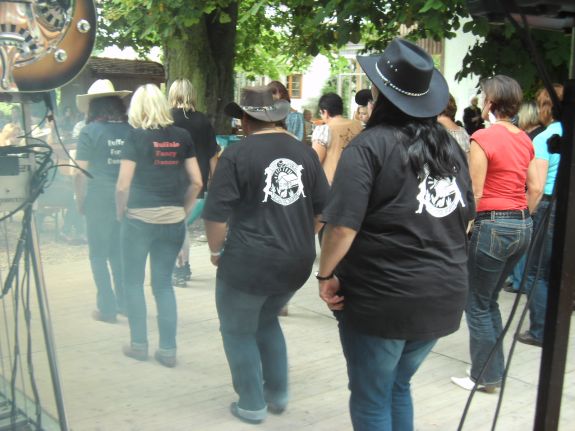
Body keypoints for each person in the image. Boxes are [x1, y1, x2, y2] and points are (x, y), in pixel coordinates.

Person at [318, 38, 475, 431]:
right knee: (397, 385)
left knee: (372, 396)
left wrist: (325, 274)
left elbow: (342, 227)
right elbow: (465, 219)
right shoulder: (450, 148)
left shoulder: (369, 146)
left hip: (385, 297)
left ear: (379, 94)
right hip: (443, 291)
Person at [203, 86, 329, 424]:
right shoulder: (305, 153)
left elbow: (215, 215)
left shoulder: (236, 154)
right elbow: (323, 211)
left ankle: (251, 403)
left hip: (249, 260)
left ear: (245, 120)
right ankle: (277, 393)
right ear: (275, 117)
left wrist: (215, 251)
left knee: (237, 330)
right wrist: (299, 238)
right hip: (297, 261)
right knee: (267, 320)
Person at [451, 75, 541, 393]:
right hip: (521, 224)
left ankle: (484, 376)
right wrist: (518, 216)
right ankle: (491, 370)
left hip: (491, 225)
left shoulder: (483, 137)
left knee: (477, 303)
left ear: (489, 103)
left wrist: (465, 228)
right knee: (489, 301)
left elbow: (475, 192)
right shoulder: (525, 139)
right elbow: (535, 188)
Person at [116, 84, 203, 367]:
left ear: (137, 108)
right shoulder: (182, 136)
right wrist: (183, 211)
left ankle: (139, 345)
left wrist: (121, 212)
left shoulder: (134, 136)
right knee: (163, 285)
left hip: (138, 220)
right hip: (172, 220)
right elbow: (197, 182)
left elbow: (123, 185)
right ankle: (167, 350)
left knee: (133, 283)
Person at [75, 79, 133, 323]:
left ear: (93, 106)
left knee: (98, 254)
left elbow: (80, 173)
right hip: (125, 197)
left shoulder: (89, 132)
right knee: (118, 253)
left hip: (98, 198)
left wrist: (80, 200)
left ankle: (106, 308)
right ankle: (125, 304)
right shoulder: (129, 130)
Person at [515, 84, 564, 347]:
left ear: (546, 108)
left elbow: (536, 186)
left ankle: (540, 331)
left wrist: (525, 215)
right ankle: (554, 327)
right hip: (565, 206)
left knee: (535, 272)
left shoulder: (545, 138)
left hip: (547, 206)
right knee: (556, 271)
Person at [168, 78, 219, 286]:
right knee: (181, 226)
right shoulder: (202, 120)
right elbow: (213, 155)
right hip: (197, 184)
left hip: (171, 182)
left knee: (176, 226)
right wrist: (217, 183)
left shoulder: (166, 118)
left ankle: (179, 268)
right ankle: (183, 266)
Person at [312, 93, 363, 185]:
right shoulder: (358, 125)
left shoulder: (323, 129)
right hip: (358, 181)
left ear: (325, 112)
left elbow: (315, 161)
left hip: (333, 184)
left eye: (321, 113)